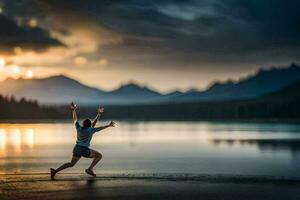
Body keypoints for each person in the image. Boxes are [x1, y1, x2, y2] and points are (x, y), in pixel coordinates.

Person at [50, 102, 115, 179]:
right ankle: (89, 169)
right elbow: (100, 127)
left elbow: (75, 120)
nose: (91, 125)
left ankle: (55, 171)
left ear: (83, 124)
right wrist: (108, 125)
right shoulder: (91, 130)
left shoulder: (79, 128)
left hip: (77, 148)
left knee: (71, 164)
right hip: (84, 150)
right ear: (89, 125)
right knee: (99, 156)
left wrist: (73, 110)